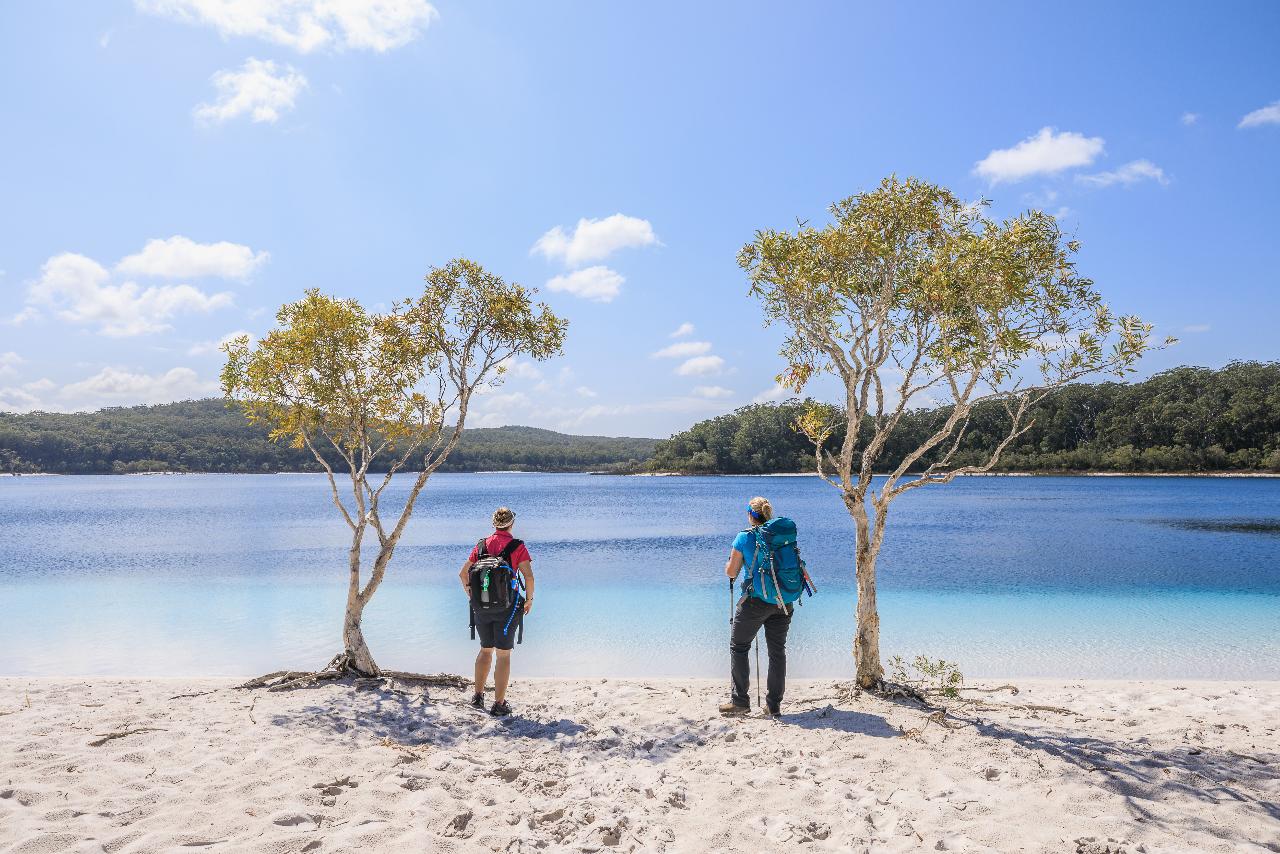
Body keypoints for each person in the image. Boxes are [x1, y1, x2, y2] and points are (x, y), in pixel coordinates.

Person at [720, 496, 792, 717]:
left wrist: (728, 564)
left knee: (739, 647)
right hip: (783, 600)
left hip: (754, 602)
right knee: (777, 652)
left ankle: (740, 702)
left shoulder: (744, 537)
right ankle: (773, 705)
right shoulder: (781, 536)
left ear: (751, 515)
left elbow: (732, 572)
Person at [459, 506, 535, 717]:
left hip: (481, 607)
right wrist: (529, 600)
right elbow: (528, 577)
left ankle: (478, 696)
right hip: (507, 609)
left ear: (494, 524)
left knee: (485, 650)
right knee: (503, 655)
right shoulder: (517, 546)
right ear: (511, 523)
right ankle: (499, 704)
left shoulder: (482, 545)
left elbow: (463, 573)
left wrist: (472, 595)